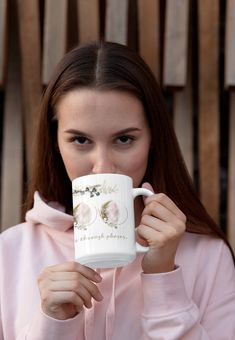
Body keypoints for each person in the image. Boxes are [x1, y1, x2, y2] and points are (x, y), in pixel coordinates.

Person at [0, 41, 235, 340]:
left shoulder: (208, 257)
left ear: (153, 139)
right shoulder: (9, 254)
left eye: (124, 139)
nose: (102, 167)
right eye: (80, 141)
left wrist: (164, 278)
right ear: (55, 143)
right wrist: (51, 325)